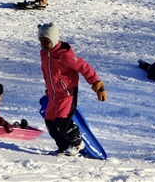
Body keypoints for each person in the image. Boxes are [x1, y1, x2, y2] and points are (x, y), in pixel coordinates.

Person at [38, 23, 106, 156]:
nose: (43, 45)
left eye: (46, 42)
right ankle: (63, 147)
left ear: (53, 40)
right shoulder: (45, 54)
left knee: (62, 121)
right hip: (53, 95)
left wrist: (97, 84)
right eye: (41, 42)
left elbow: (84, 67)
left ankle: (77, 143)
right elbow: (48, 74)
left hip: (66, 94)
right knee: (50, 123)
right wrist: (48, 88)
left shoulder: (64, 56)